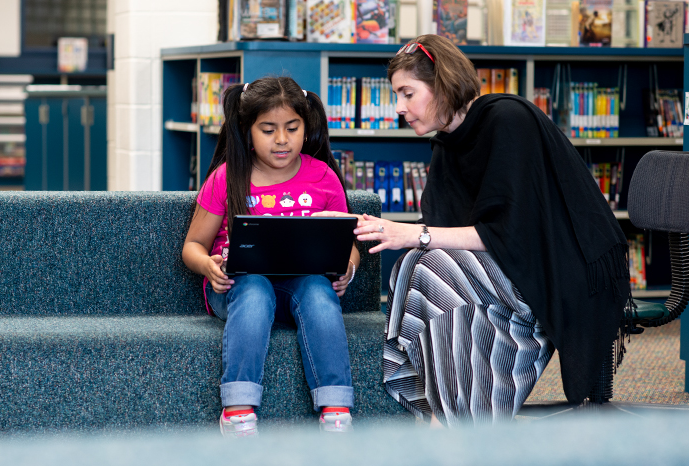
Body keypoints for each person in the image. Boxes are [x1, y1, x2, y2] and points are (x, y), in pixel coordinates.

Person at [318, 35, 631, 426]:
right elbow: (448, 232)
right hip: (507, 269)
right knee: (416, 266)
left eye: (407, 93)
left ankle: (455, 418)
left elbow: (510, 234)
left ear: (443, 84)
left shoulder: (507, 120)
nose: (400, 108)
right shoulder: (448, 144)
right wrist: (385, 232)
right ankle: (452, 413)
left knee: (432, 269)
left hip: (561, 270)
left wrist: (412, 234)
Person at [182, 76, 360, 437]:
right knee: (255, 289)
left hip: (302, 284)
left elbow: (348, 240)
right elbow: (192, 246)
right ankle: (238, 410)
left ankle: (336, 408)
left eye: (292, 128)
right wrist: (208, 266)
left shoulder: (322, 176)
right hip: (237, 288)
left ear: (305, 128)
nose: (281, 140)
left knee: (319, 292)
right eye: (268, 130)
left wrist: (349, 268)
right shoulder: (227, 177)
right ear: (248, 131)